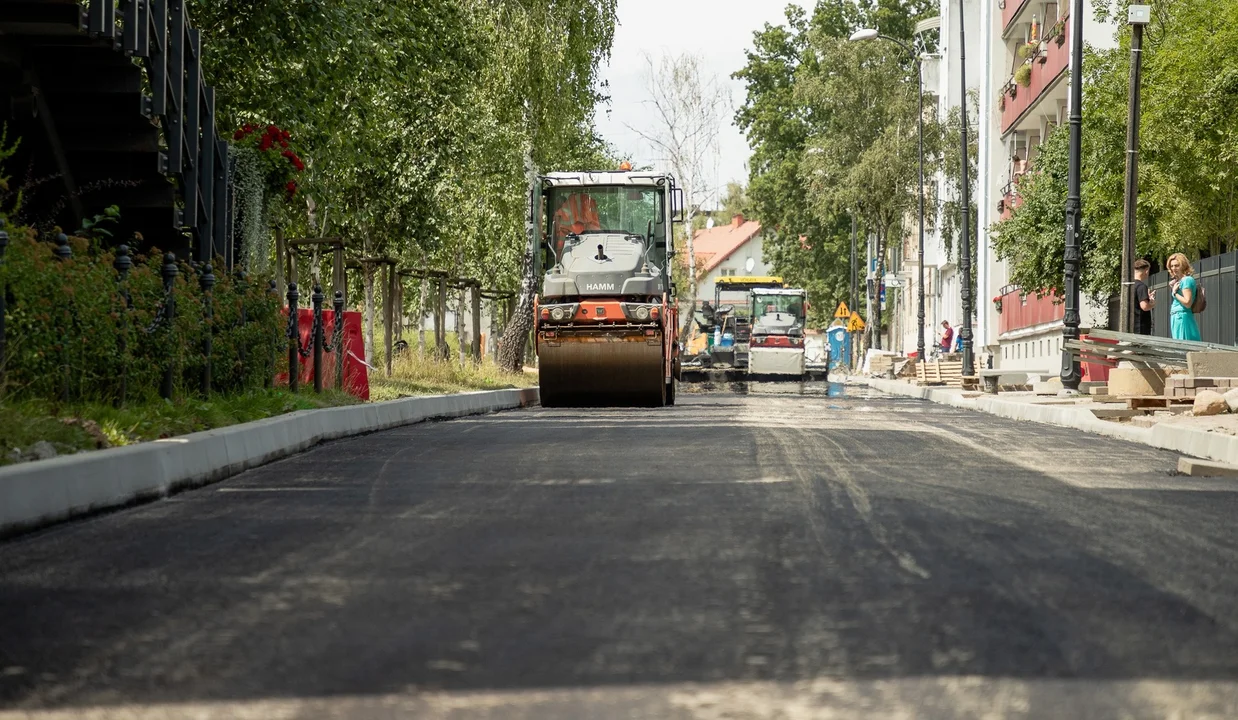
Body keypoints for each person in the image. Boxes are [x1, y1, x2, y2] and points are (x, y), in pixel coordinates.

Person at [1167, 252, 1201, 341]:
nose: (1174, 268)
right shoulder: (1181, 281)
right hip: (1178, 317)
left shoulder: (1186, 280)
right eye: (1172, 266)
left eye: (1177, 265)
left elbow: (1187, 302)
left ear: (1183, 265)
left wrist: (1175, 293)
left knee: (1183, 346)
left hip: (1182, 317)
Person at [1132, 259, 1155, 335]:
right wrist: (1152, 303)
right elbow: (1144, 306)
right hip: (1141, 327)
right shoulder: (1141, 286)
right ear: (1146, 271)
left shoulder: (1130, 286)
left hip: (1131, 325)